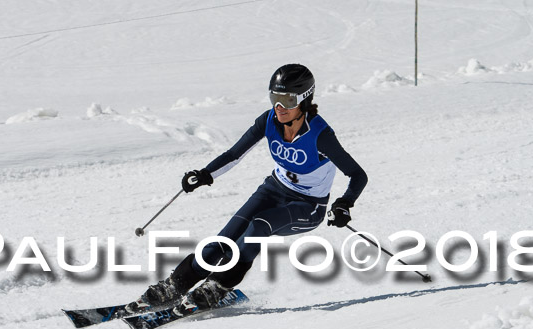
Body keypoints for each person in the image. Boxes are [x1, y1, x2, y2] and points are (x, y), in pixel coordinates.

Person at [128, 63, 368, 314]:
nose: (279, 107)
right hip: (274, 189)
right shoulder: (269, 121)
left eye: (287, 100)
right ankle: (175, 285)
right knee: (224, 239)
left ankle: (218, 287)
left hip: (308, 206)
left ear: (304, 100)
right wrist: (204, 174)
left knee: (259, 225)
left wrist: (344, 204)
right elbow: (234, 154)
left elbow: (357, 175)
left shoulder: (321, 135)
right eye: (275, 98)